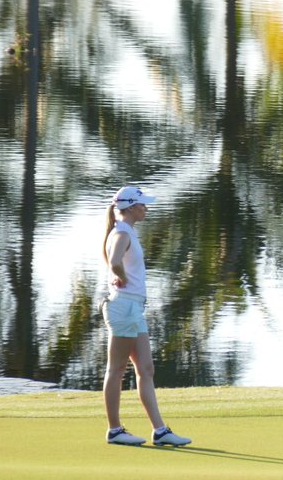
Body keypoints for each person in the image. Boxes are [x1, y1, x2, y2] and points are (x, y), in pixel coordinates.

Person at [100, 186, 192, 446]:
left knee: (146, 369)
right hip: (124, 307)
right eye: (142, 204)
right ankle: (115, 430)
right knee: (116, 370)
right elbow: (115, 260)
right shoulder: (121, 232)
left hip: (133, 308)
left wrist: (122, 276)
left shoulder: (127, 231)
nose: (146, 208)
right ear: (129, 207)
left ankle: (160, 431)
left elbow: (117, 262)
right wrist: (122, 278)